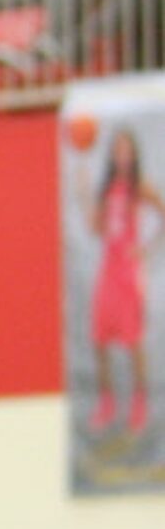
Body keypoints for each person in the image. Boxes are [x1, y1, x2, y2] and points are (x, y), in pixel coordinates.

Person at [79, 127, 165, 433]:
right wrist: (85, 193)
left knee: (133, 341)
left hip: (128, 271)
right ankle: (107, 401)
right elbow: (95, 229)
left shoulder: (139, 187)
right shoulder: (107, 190)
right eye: (117, 150)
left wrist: (147, 249)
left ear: (134, 154)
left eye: (127, 150)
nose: (122, 156)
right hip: (108, 269)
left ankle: (139, 402)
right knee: (99, 339)